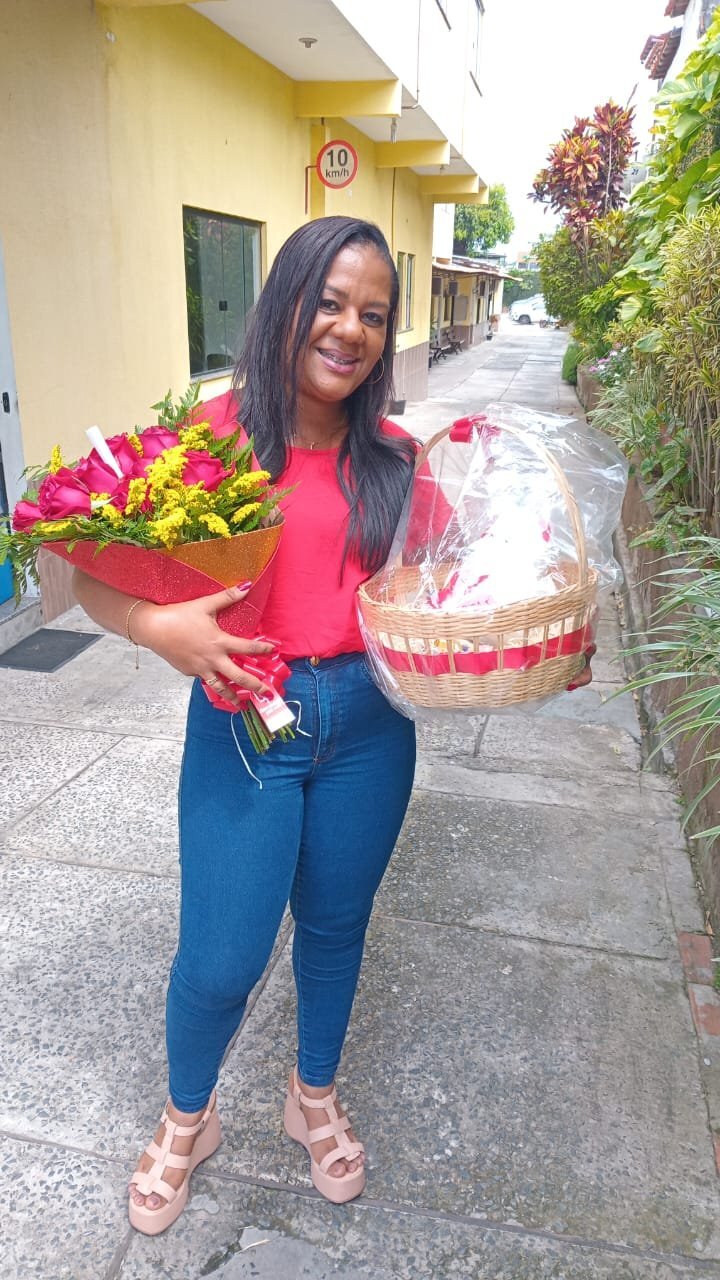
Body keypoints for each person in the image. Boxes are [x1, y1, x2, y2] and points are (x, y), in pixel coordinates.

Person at [72, 215, 594, 1235]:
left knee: (336, 926)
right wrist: (155, 623)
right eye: (331, 302)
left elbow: (462, 586)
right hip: (244, 724)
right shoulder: (207, 439)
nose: (351, 329)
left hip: (368, 726)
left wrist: (542, 637)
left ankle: (310, 1092)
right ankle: (190, 1114)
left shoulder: (400, 457)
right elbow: (85, 569)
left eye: (374, 313)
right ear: (287, 301)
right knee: (222, 955)